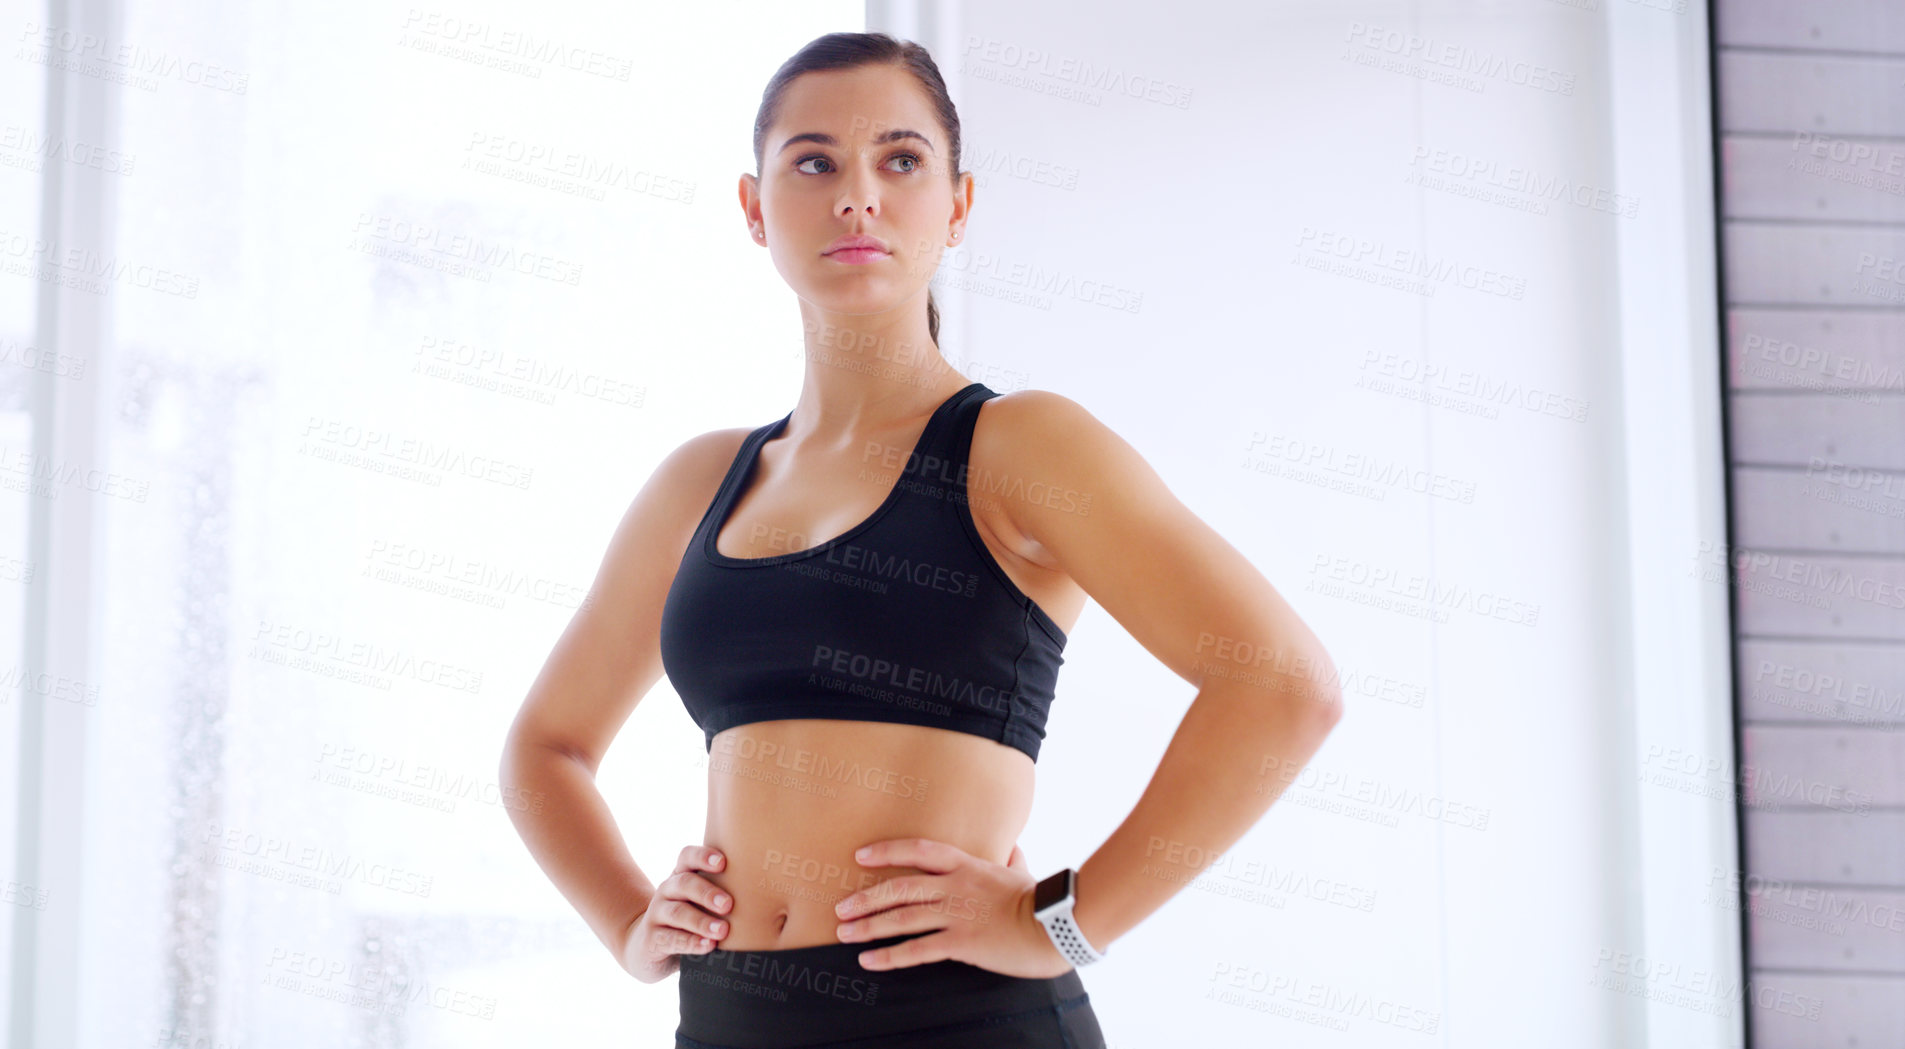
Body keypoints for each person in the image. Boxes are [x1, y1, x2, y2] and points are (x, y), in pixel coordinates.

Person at [500, 30, 1344, 1049]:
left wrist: (1068, 924)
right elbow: (545, 748)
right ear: (755, 209)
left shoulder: (1020, 446)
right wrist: (630, 920)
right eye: (814, 161)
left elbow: (1282, 685)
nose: (858, 194)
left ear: (957, 206)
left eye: (900, 159)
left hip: (960, 1017)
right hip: (729, 1023)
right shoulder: (699, 483)